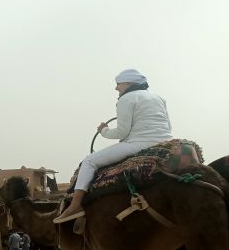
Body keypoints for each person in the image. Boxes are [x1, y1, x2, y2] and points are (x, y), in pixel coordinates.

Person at [54, 69, 173, 223]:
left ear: (128, 83)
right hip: (165, 142)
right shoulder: (159, 98)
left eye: (118, 84)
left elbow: (121, 132)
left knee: (89, 161)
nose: (116, 88)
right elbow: (168, 126)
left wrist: (103, 130)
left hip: (138, 144)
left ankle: (75, 205)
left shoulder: (126, 99)